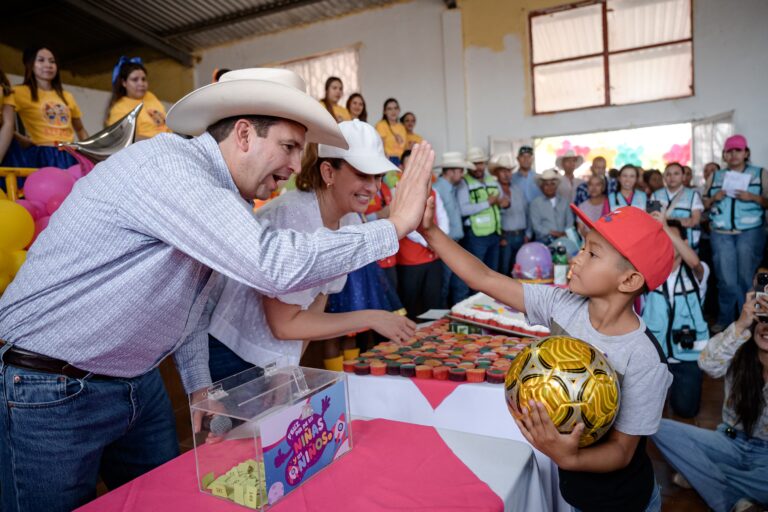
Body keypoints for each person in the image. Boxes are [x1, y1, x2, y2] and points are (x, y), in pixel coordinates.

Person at [0, 68, 435, 512]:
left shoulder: (226, 195)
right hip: (49, 385)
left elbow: (188, 305)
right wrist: (394, 227)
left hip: (137, 381)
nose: (291, 165)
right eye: (288, 146)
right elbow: (273, 266)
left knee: (167, 501)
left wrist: (201, 389)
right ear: (244, 134)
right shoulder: (170, 166)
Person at [420, 199, 674, 512]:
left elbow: (622, 451)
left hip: (623, 501)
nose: (577, 259)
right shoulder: (561, 304)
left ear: (630, 280)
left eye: (592, 253)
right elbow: (484, 278)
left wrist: (571, 458)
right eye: (582, 247)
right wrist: (430, 231)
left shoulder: (645, 358)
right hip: (575, 491)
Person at [204, 120, 416, 381]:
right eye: (363, 175)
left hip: (276, 358)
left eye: (378, 177)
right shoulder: (290, 216)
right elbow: (284, 325)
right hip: (236, 353)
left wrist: (291, 366)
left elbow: (314, 310)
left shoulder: (349, 219)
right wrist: (372, 317)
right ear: (328, 172)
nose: (372, 188)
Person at [652, 289, 768, 512]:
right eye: (763, 318)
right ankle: (724, 489)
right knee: (657, 427)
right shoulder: (738, 347)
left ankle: (702, 477)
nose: (766, 327)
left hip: (765, 455)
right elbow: (707, 364)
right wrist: (741, 325)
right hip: (728, 441)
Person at [643, 217, 710, 418]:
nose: (667, 243)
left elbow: (694, 261)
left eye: (671, 239)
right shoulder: (649, 274)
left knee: (686, 410)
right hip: (655, 356)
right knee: (645, 411)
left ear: (684, 243)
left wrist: (663, 225)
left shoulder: (698, 273)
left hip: (687, 357)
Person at [703, 135, 768, 330]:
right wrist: (715, 196)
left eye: (738, 150)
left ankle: (746, 323)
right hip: (721, 233)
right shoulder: (716, 176)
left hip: (750, 232)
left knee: (746, 279)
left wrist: (753, 197)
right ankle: (725, 321)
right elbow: (704, 204)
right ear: (724, 155)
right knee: (726, 280)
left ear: (746, 153)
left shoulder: (760, 173)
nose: (733, 154)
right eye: (729, 151)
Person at [2, 46, 88, 169]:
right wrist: (20, 138)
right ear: (29, 64)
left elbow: (79, 129)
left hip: (72, 153)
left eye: (52, 61)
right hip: (42, 153)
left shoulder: (67, 96)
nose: (48, 65)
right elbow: (4, 121)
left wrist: (88, 151)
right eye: (41, 60)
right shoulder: (18, 92)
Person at [395, 150, 449, 320]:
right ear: (402, 167)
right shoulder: (397, 190)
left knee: (434, 302)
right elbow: (404, 225)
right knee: (411, 303)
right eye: (410, 163)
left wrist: (441, 241)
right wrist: (431, 242)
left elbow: (443, 217)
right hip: (411, 260)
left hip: (434, 257)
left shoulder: (433, 191)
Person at [458, 146, 504, 283]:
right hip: (475, 237)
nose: (478, 167)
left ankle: (490, 304)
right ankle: (476, 303)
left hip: (494, 234)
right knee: (477, 276)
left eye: (480, 163)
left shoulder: (492, 180)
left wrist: (503, 202)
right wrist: (487, 203)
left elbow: (501, 198)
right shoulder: (463, 183)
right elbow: (463, 210)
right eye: (474, 164)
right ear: (468, 166)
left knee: (493, 274)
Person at [432, 151, 473, 306]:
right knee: (444, 286)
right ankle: (441, 320)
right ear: (450, 171)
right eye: (460, 171)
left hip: (454, 243)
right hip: (445, 244)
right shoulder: (438, 189)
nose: (462, 175)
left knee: (457, 284)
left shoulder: (451, 188)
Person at [105, 57, 172, 140]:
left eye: (143, 79)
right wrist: (159, 142)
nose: (141, 83)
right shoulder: (119, 109)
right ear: (124, 83)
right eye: (135, 79)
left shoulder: (150, 96)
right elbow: (128, 139)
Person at [489, 152, 530, 277]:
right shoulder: (493, 190)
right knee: (504, 270)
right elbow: (493, 215)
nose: (506, 174)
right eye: (503, 171)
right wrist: (500, 237)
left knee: (519, 269)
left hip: (521, 235)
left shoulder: (517, 189)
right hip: (505, 237)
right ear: (496, 173)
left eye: (509, 171)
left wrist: (527, 233)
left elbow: (526, 212)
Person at [652, 162, 703, 250]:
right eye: (668, 174)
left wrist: (666, 220)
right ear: (664, 177)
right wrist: (680, 221)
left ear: (683, 176)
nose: (672, 177)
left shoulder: (693, 195)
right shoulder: (656, 195)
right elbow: (652, 220)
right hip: (662, 242)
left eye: (676, 174)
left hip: (687, 243)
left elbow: (695, 220)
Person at [529, 169, 574, 245]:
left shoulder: (564, 202)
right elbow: (536, 226)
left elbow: (570, 221)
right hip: (544, 241)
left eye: (552, 184)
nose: (549, 187)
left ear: (556, 186)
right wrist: (554, 233)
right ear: (542, 186)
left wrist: (564, 233)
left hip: (564, 240)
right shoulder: (535, 203)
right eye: (546, 184)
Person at [375, 98, 407, 165]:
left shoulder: (402, 127)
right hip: (388, 160)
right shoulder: (381, 125)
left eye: (395, 108)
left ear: (399, 110)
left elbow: (404, 148)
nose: (393, 111)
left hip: (402, 161)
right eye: (389, 109)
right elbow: (379, 145)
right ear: (385, 112)